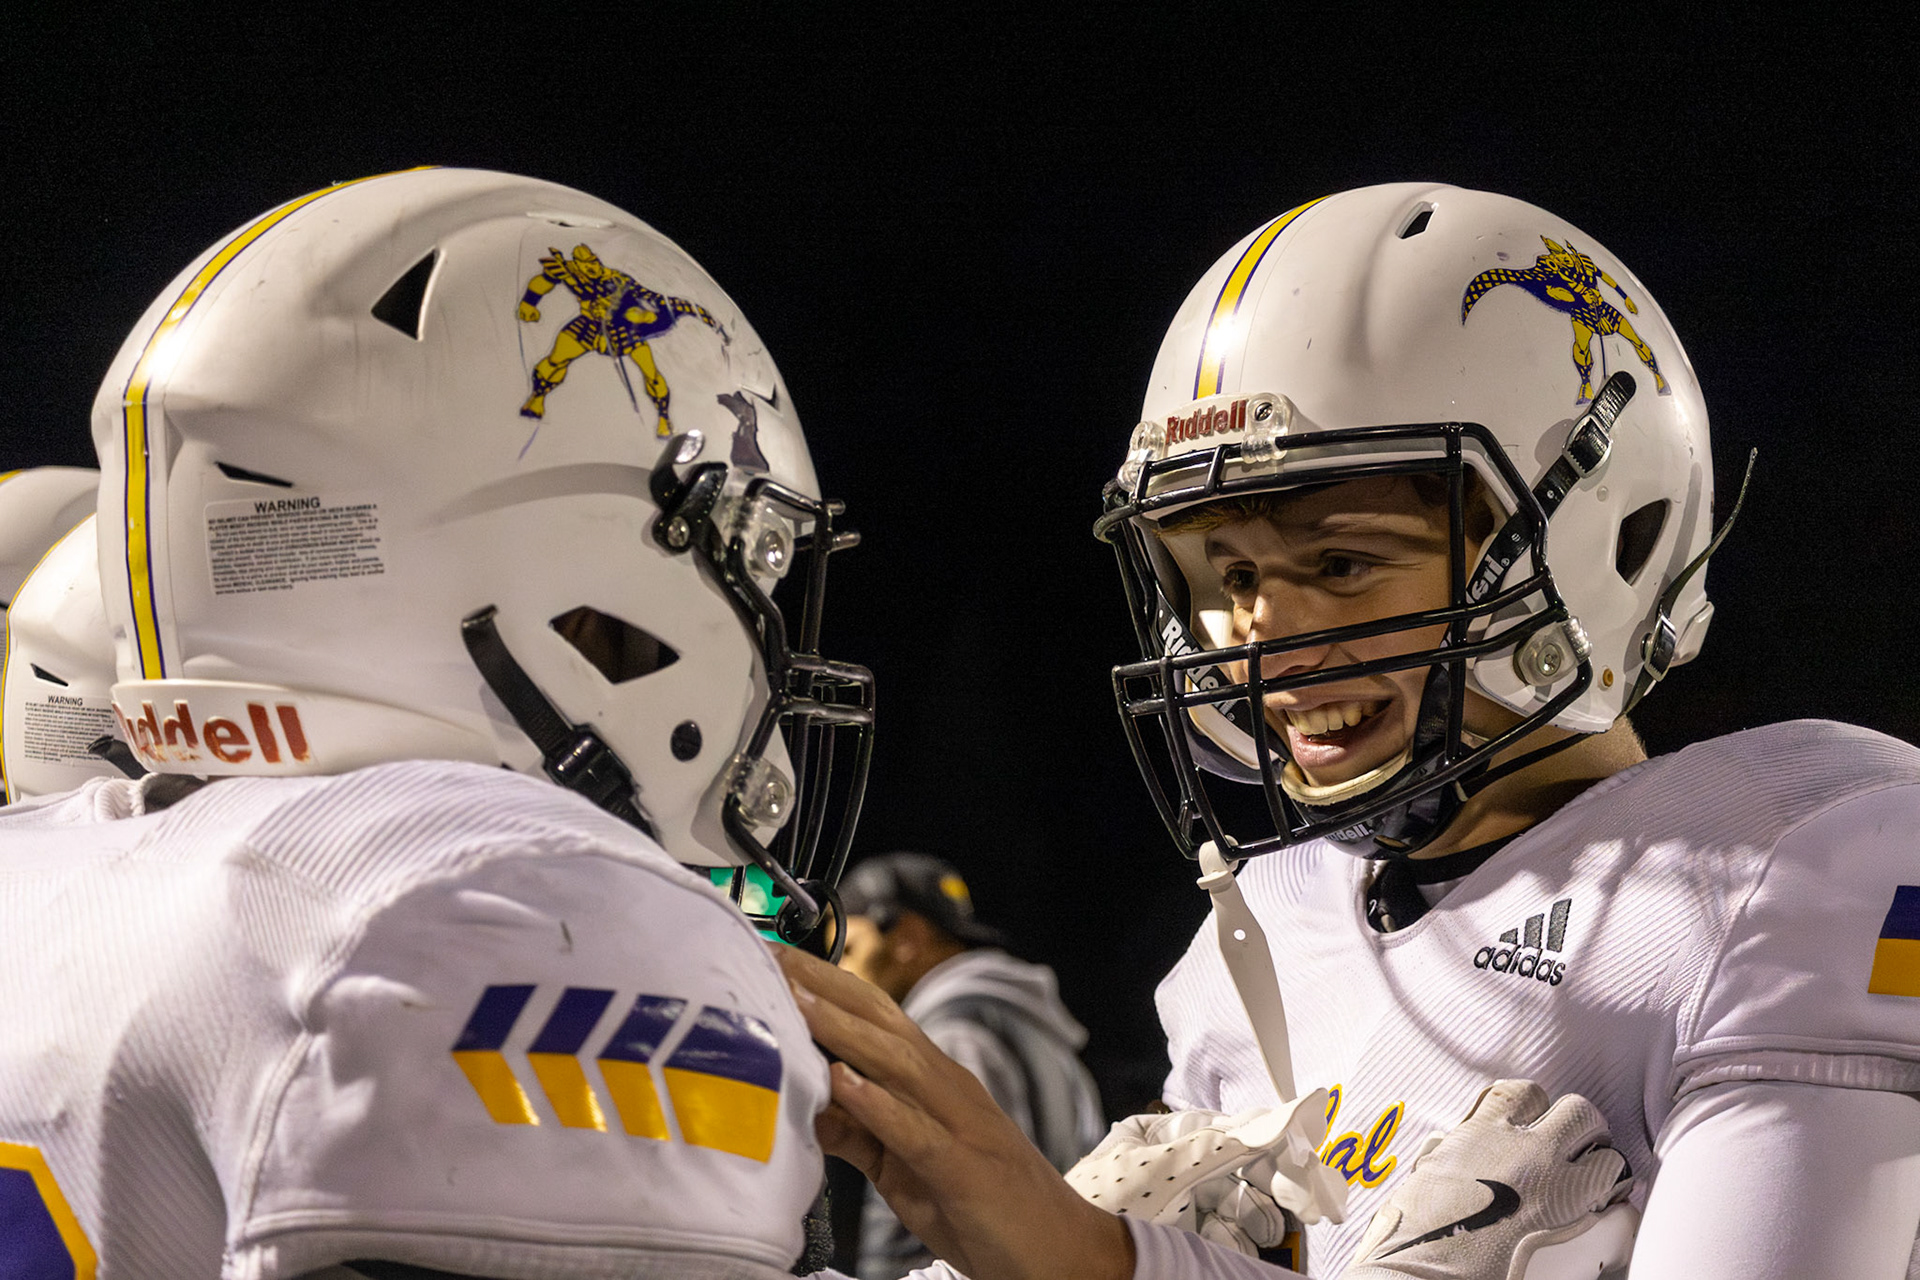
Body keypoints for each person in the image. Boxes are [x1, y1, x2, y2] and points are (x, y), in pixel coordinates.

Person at [775, 182, 1920, 1280]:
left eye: (1339, 562)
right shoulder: (1272, 924)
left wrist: (1080, 1254)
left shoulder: (1817, 859)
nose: (1260, 636)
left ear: (1600, 537)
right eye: (1229, 574)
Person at [0, 167, 875, 1277]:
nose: (762, 649)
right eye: (749, 563)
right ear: (582, 580)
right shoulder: (493, 904)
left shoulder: (40, 869)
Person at [837, 852, 1104, 1276]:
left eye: (850, 948)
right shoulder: (1033, 1026)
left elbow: (961, 1208)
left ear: (907, 937)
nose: (842, 969)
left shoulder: (949, 1037)